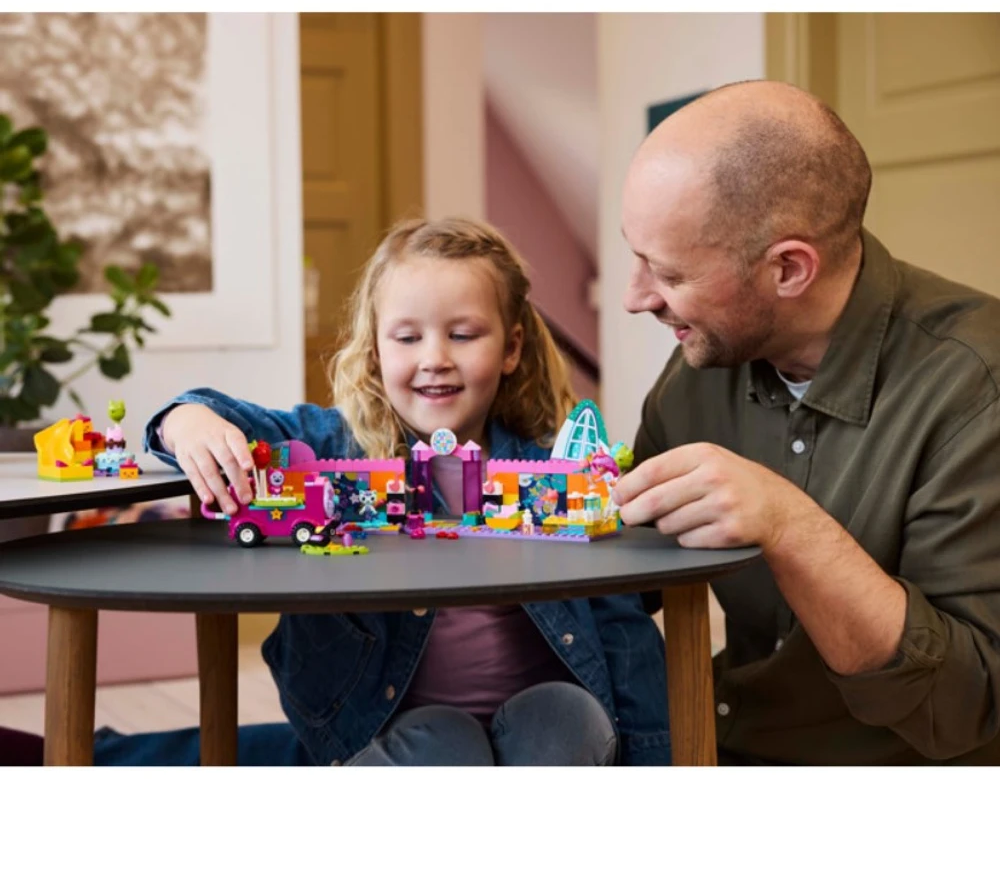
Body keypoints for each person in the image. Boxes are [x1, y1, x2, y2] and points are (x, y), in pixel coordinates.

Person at [134, 216, 670, 767]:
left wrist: (655, 761)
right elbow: (223, 418)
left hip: (536, 732)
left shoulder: (553, 472)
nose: (434, 358)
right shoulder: (335, 445)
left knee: (569, 714)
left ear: (511, 348)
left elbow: (622, 630)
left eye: (463, 335)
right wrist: (187, 420)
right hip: (395, 738)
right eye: (408, 338)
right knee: (443, 738)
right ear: (375, 351)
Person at [611, 79, 1000, 765]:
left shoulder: (975, 387)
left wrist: (788, 524)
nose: (635, 297)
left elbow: (967, 705)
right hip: (719, 745)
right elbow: (623, 582)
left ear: (789, 269)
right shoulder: (701, 365)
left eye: (667, 273)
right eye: (635, 257)